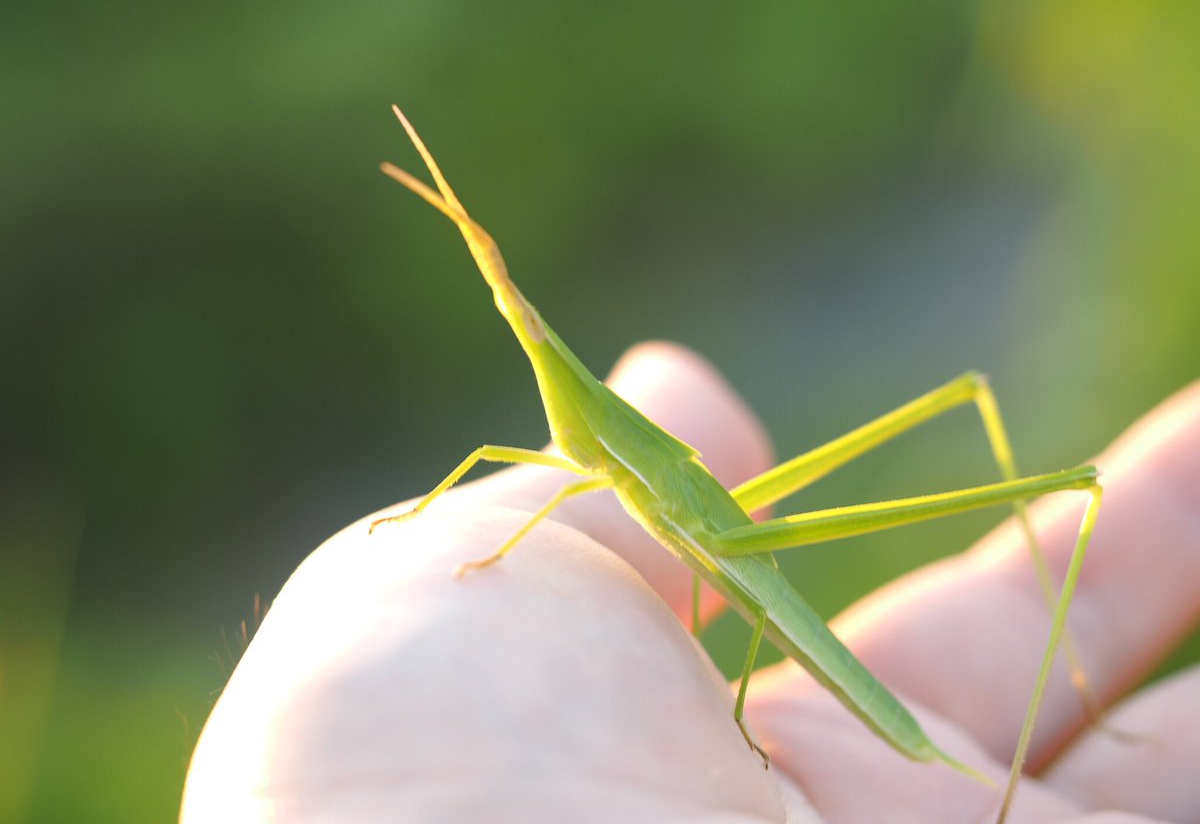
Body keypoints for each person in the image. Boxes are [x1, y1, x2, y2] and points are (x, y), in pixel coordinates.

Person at [181, 343, 1200, 822]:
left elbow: (548, 479)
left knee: (995, 423)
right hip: (719, 544)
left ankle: (1072, 712)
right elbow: (533, 468)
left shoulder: (585, 459)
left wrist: (495, 549)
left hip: (731, 542)